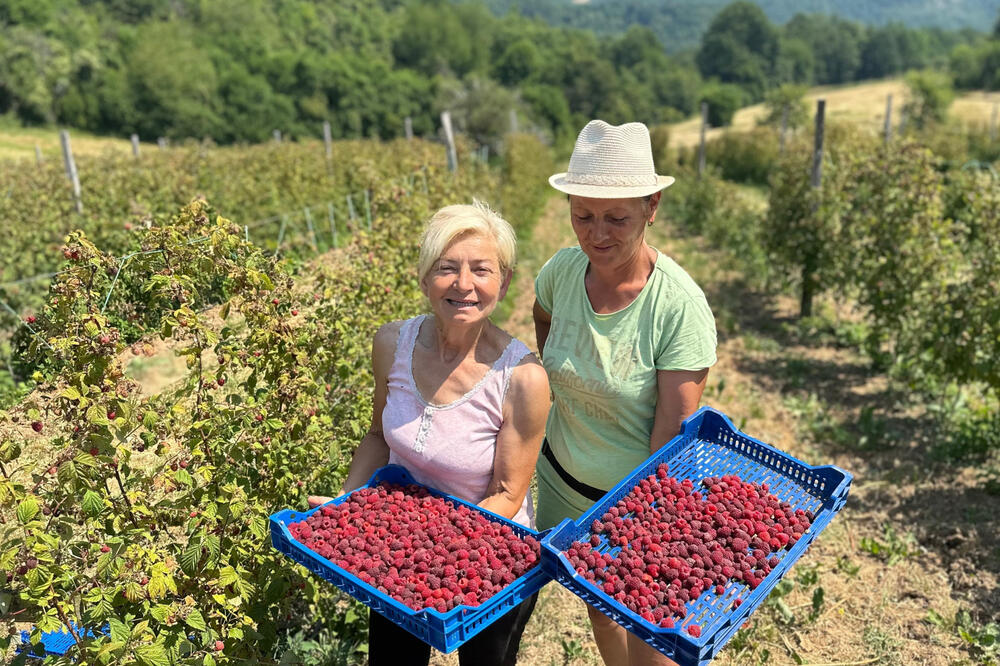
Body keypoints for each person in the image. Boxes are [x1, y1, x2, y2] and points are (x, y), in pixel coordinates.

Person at [309, 201, 550, 666]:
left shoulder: (522, 378)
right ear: (423, 279)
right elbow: (378, 436)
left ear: (504, 281)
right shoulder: (391, 343)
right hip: (400, 540)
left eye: (481, 269)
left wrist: (434, 558)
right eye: (446, 268)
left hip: (492, 550)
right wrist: (345, 503)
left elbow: (506, 492)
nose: (464, 285)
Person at [532, 120, 718, 666]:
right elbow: (544, 320)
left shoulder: (676, 307)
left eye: (617, 217)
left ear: (652, 206)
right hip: (564, 488)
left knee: (649, 637)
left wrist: (635, 525)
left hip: (636, 508)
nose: (597, 233)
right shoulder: (561, 273)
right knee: (599, 609)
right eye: (582, 215)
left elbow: (671, 442)